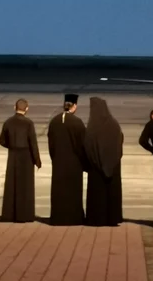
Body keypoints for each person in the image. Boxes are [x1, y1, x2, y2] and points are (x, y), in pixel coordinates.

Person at [0, 98, 42, 223]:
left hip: (13, 155)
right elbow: (33, 142)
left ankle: (9, 215)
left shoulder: (8, 122)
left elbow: (1, 141)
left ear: (14, 107)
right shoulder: (28, 123)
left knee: (11, 185)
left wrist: (11, 146)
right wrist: (37, 160)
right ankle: (25, 215)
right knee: (25, 186)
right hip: (26, 156)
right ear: (27, 108)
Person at [47, 93, 88, 225]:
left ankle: (58, 218)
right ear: (74, 106)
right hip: (74, 164)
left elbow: (51, 144)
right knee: (73, 192)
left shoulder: (54, 121)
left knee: (59, 192)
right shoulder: (77, 123)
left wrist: (54, 158)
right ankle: (74, 218)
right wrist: (84, 163)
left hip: (58, 162)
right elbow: (83, 144)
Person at [84, 97, 123, 226]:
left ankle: (96, 218)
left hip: (95, 168)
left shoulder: (92, 126)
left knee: (97, 195)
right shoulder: (114, 124)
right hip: (113, 166)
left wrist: (92, 161)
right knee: (112, 193)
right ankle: (113, 218)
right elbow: (119, 144)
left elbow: (87, 146)